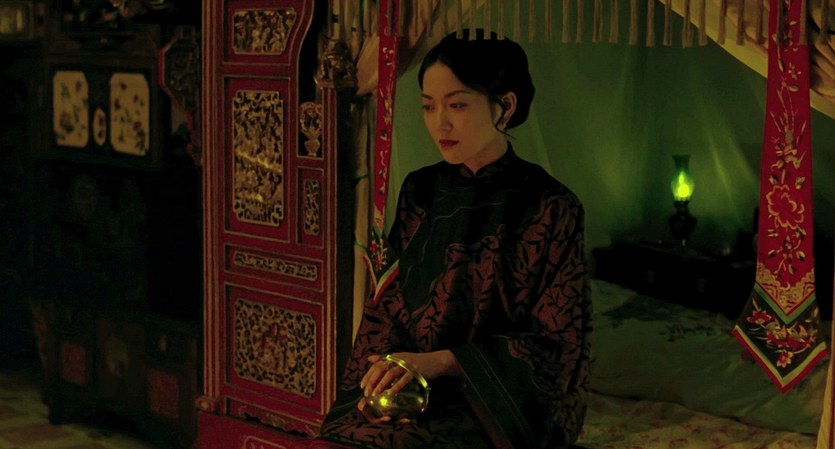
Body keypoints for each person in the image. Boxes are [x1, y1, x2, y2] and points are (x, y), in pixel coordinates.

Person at [312, 29, 591, 449]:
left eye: (457, 105)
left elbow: (558, 347)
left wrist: (445, 362)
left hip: (494, 401)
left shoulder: (552, 205)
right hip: (412, 385)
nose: (439, 123)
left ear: (505, 106)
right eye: (428, 106)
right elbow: (388, 304)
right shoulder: (420, 190)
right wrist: (384, 372)